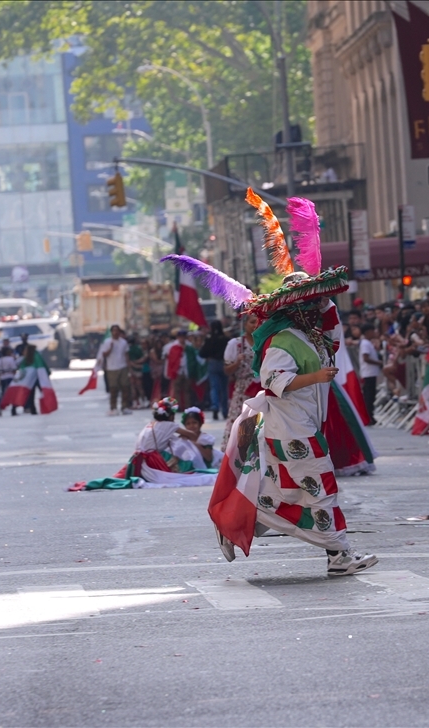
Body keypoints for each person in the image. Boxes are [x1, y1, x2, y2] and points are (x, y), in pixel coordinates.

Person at [165, 191, 377, 575]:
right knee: (320, 490)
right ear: (297, 309)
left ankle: (235, 521)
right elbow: (274, 380)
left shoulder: (312, 336)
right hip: (290, 426)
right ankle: (339, 555)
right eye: (312, 303)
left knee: (287, 495)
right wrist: (314, 377)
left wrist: (325, 300)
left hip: (306, 422)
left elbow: (333, 331)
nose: (317, 308)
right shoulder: (282, 341)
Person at [73, 398, 218, 491]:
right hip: (152, 460)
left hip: (136, 459)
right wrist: (185, 435)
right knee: (186, 468)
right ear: (171, 415)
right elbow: (192, 435)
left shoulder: (151, 424)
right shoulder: (169, 425)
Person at [222, 314, 261, 447]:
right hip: (243, 389)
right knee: (241, 421)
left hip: (262, 388)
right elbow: (227, 370)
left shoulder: (264, 342)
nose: (255, 325)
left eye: (258, 322)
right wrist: (237, 362)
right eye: (252, 322)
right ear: (245, 324)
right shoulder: (236, 344)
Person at [98, 324, 132, 416]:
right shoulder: (107, 342)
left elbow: (126, 355)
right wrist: (110, 348)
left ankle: (124, 407)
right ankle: (113, 407)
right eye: (114, 331)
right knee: (113, 389)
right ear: (111, 332)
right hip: (111, 368)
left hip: (122, 366)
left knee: (125, 387)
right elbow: (104, 354)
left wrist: (129, 367)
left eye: (117, 331)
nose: (115, 332)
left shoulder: (123, 342)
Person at [200, 320, 230, 420]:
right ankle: (225, 410)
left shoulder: (209, 339)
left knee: (214, 387)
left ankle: (215, 406)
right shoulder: (225, 339)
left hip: (212, 363)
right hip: (223, 363)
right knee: (224, 388)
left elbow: (202, 353)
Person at [358, 324, 382, 425]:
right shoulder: (365, 344)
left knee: (371, 396)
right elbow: (366, 358)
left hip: (371, 373)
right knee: (369, 396)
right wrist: (379, 363)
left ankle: (370, 416)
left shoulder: (368, 343)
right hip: (368, 373)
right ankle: (368, 417)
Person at [162, 329, 192, 409]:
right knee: (176, 390)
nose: (182, 339)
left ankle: (187, 406)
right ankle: (177, 406)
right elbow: (171, 360)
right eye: (181, 337)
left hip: (186, 370)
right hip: (177, 371)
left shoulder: (189, 346)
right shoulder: (173, 347)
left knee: (187, 390)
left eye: (184, 337)